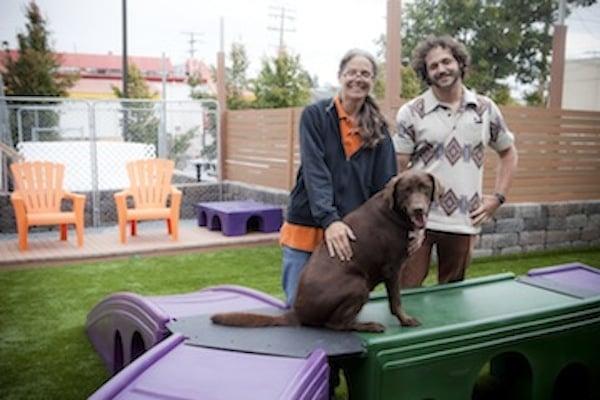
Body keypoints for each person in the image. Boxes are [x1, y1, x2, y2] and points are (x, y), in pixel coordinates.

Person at [394, 35, 518, 287]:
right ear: (426, 73)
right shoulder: (411, 112)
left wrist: (498, 198)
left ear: (460, 63)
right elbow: (398, 167)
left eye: (446, 62)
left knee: (452, 297)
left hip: (464, 221)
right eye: (433, 66)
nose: (441, 69)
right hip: (419, 221)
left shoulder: (485, 109)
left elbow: (508, 153)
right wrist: (401, 217)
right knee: (405, 291)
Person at [279, 49, 397, 306]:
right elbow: (315, 170)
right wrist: (329, 220)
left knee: (338, 308)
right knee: (297, 307)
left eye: (365, 74)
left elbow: (385, 185)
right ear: (340, 76)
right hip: (307, 226)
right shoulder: (315, 116)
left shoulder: (379, 128)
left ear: (372, 81)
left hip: (349, 235)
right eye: (352, 72)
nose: (358, 78)